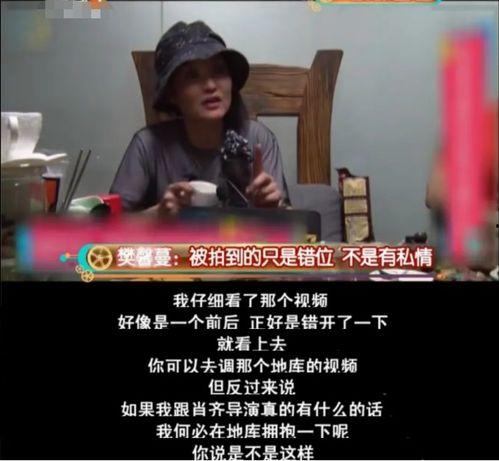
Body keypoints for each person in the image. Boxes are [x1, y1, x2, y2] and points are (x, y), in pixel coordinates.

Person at [110, 21, 290, 215]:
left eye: (219, 71)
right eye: (192, 76)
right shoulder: (148, 144)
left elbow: (293, 222)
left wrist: (273, 208)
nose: (211, 85)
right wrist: (157, 214)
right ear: (172, 93)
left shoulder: (257, 139)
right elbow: (109, 224)